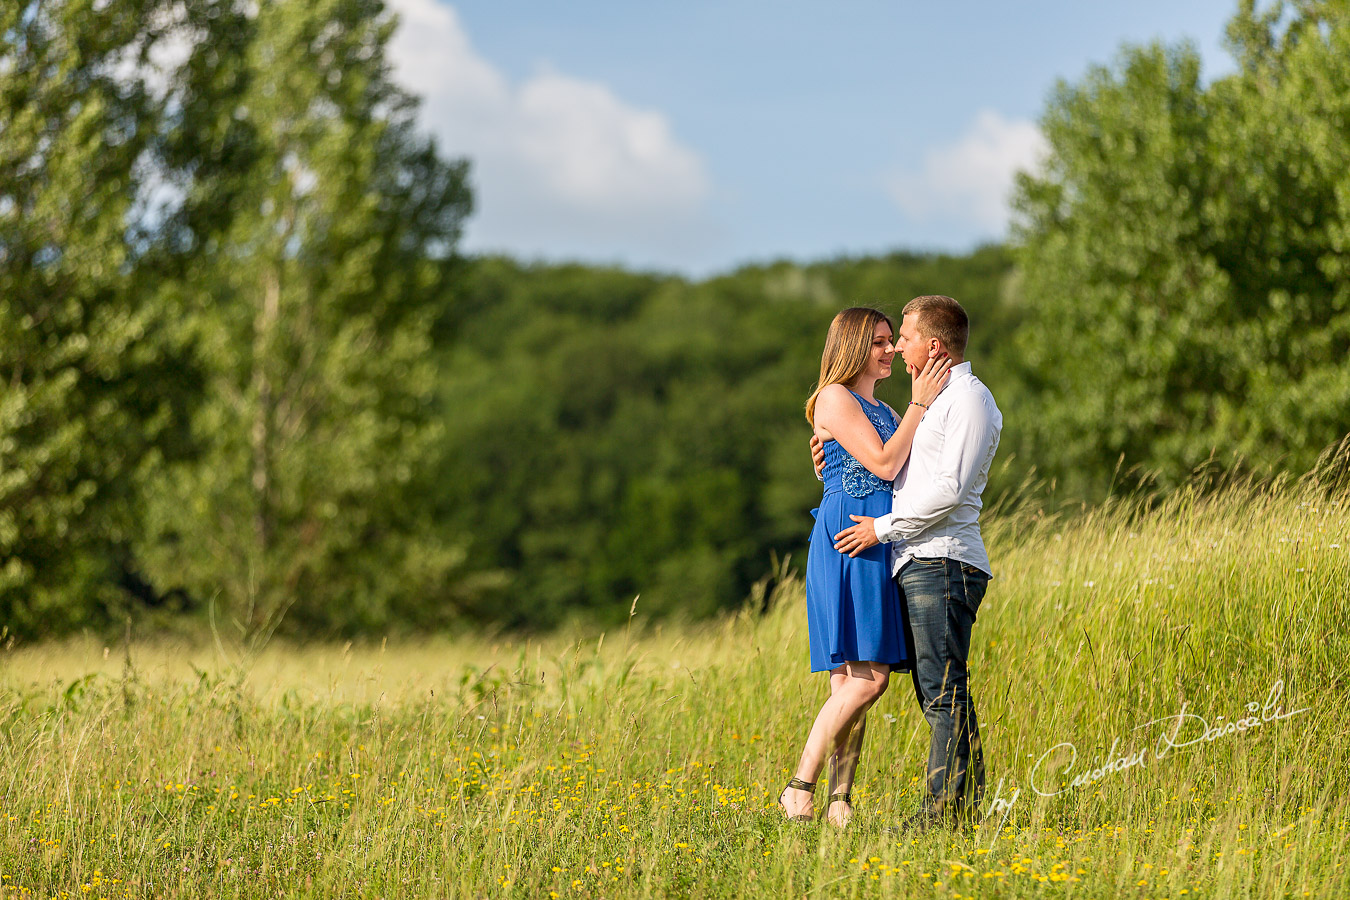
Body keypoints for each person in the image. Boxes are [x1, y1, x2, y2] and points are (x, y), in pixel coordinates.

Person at [822, 294, 1002, 831]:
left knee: (943, 693)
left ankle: (942, 816)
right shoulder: (930, 402)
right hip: (919, 560)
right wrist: (830, 453)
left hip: (943, 560)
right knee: (939, 691)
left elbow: (947, 490)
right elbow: (895, 468)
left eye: (903, 337)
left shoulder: (968, 401)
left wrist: (882, 528)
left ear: (934, 345)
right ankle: (962, 809)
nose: (897, 347)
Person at [780, 306, 952, 827]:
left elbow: (908, 464)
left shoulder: (883, 408)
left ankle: (839, 802)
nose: (890, 350)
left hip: (879, 536)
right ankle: (799, 786)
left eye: (890, 341)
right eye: (879, 342)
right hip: (850, 537)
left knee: (850, 684)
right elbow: (883, 463)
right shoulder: (835, 396)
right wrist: (921, 404)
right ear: (853, 346)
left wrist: (917, 409)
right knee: (870, 679)